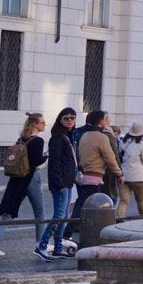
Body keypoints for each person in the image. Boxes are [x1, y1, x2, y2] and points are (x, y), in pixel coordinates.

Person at [0, 113, 47, 259]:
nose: (44, 125)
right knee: (39, 211)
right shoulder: (38, 141)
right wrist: (47, 155)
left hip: (17, 178)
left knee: (8, 211)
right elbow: (36, 161)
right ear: (35, 124)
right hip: (31, 178)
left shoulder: (21, 139)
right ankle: (41, 244)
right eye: (42, 123)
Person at [38, 108, 78, 258]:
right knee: (59, 215)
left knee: (64, 216)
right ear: (60, 120)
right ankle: (42, 245)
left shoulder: (68, 136)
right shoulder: (57, 137)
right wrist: (60, 183)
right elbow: (54, 162)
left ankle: (58, 247)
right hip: (60, 184)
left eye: (72, 118)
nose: (70, 120)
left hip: (68, 182)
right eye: (66, 118)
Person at [77, 109, 122, 213]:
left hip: (84, 174)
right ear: (102, 121)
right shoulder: (102, 137)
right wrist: (119, 173)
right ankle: (71, 229)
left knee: (82, 204)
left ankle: (74, 227)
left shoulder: (85, 135)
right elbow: (111, 157)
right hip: (95, 176)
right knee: (89, 208)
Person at [116, 122, 143, 218]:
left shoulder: (122, 142)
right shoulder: (141, 144)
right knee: (141, 201)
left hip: (123, 176)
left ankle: (117, 219)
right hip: (138, 177)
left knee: (123, 201)